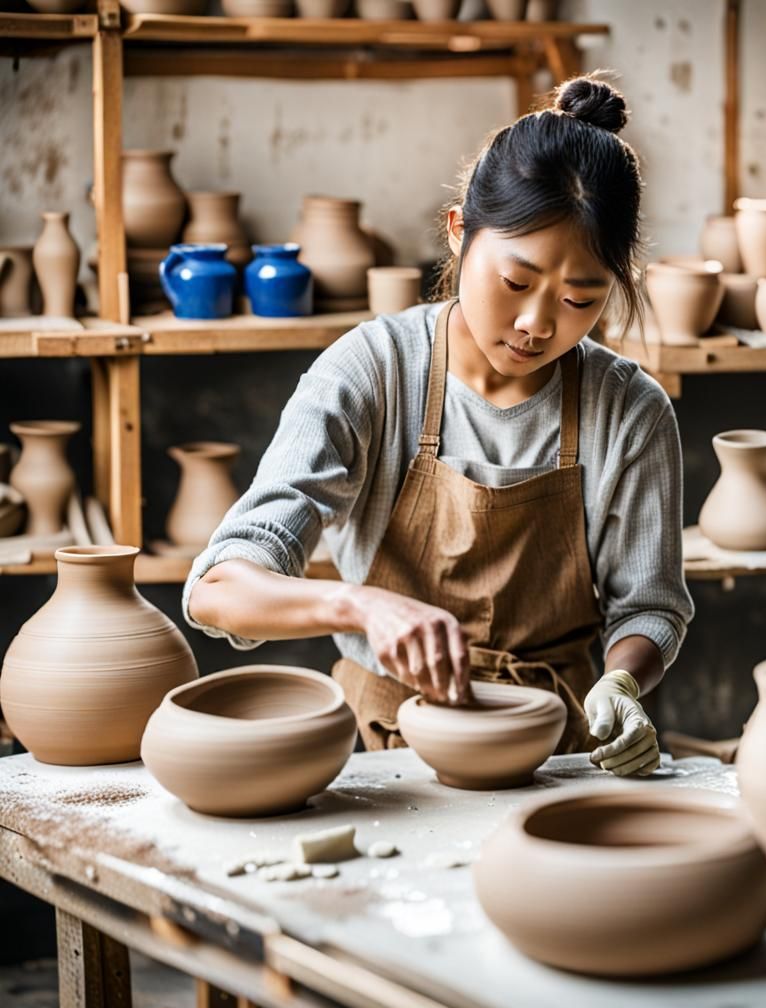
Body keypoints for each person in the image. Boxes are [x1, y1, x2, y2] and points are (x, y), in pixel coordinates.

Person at [184, 75, 693, 777]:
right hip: (391, 750)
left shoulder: (629, 410)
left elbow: (651, 607)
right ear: (459, 234)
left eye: (581, 298)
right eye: (516, 283)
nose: (538, 324)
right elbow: (218, 590)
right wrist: (358, 606)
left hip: (561, 752)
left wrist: (624, 681)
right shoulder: (371, 372)